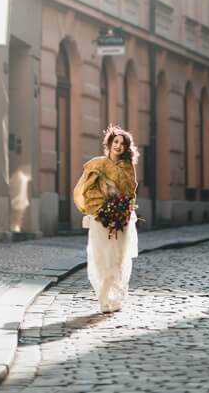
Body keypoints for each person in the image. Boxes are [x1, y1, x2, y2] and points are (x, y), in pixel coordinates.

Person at [73, 125, 140, 313]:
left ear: (127, 148)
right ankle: (102, 299)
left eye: (123, 144)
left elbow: (130, 193)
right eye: (116, 142)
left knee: (118, 259)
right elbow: (87, 189)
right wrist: (102, 209)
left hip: (121, 219)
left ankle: (113, 297)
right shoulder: (98, 164)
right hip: (101, 219)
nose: (118, 146)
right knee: (102, 258)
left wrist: (120, 210)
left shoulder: (128, 168)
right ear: (109, 143)